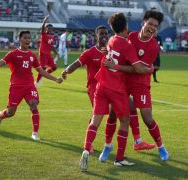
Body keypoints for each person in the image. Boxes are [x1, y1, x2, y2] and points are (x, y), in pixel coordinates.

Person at [78, 12, 153, 171]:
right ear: (126, 27)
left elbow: (109, 53)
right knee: (125, 121)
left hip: (101, 86)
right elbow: (138, 68)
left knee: (95, 121)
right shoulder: (127, 45)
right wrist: (150, 68)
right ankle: (119, 159)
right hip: (116, 88)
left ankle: (86, 149)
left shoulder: (111, 40)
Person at [62, 25, 154, 155]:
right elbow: (77, 63)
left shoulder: (111, 49)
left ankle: (137, 141)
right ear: (96, 36)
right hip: (95, 87)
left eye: (106, 34)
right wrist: (66, 70)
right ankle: (89, 145)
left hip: (112, 85)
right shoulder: (90, 53)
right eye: (101, 34)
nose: (104, 36)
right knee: (97, 116)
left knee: (131, 106)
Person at [103, 10, 169, 162]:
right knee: (113, 113)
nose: (152, 28)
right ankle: (107, 146)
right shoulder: (130, 37)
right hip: (123, 82)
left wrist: (117, 67)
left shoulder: (153, 47)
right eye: (150, 24)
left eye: (155, 26)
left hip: (141, 83)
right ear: (143, 23)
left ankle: (161, 146)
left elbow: (138, 70)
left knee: (147, 118)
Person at [0, 30, 63, 141]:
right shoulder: (13, 54)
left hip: (29, 86)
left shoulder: (32, 56)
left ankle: (35, 133)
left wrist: (55, 79)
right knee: (11, 112)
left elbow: (41, 71)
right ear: (20, 39)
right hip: (16, 86)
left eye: (29, 38)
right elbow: (0, 63)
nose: (27, 40)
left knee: (33, 105)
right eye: (25, 38)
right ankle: (1, 115)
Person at [35, 15, 59, 87]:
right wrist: (44, 20)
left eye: (51, 28)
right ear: (46, 29)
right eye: (49, 28)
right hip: (43, 53)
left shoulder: (52, 37)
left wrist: (57, 53)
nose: (50, 29)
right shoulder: (44, 34)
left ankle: (44, 75)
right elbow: (42, 28)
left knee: (54, 67)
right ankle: (37, 82)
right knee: (43, 68)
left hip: (48, 54)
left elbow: (51, 47)